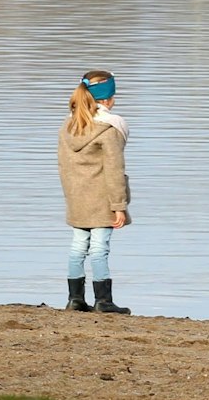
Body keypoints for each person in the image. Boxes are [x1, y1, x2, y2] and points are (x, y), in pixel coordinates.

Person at [58, 70, 131, 315]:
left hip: (77, 197)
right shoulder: (109, 130)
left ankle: (74, 299)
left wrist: (71, 196)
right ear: (108, 99)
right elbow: (114, 170)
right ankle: (104, 301)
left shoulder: (69, 126)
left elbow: (63, 166)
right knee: (100, 248)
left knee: (78, 247)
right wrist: (119, 205)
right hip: (102, 198)